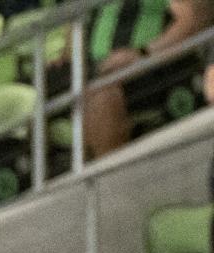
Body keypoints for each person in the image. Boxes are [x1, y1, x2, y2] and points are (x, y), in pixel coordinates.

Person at [83, 0, 214, 158]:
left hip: (161, 67)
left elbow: (194, 20)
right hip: (98, 75)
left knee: (102, 96)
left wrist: (142, 55)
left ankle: (117, 179)